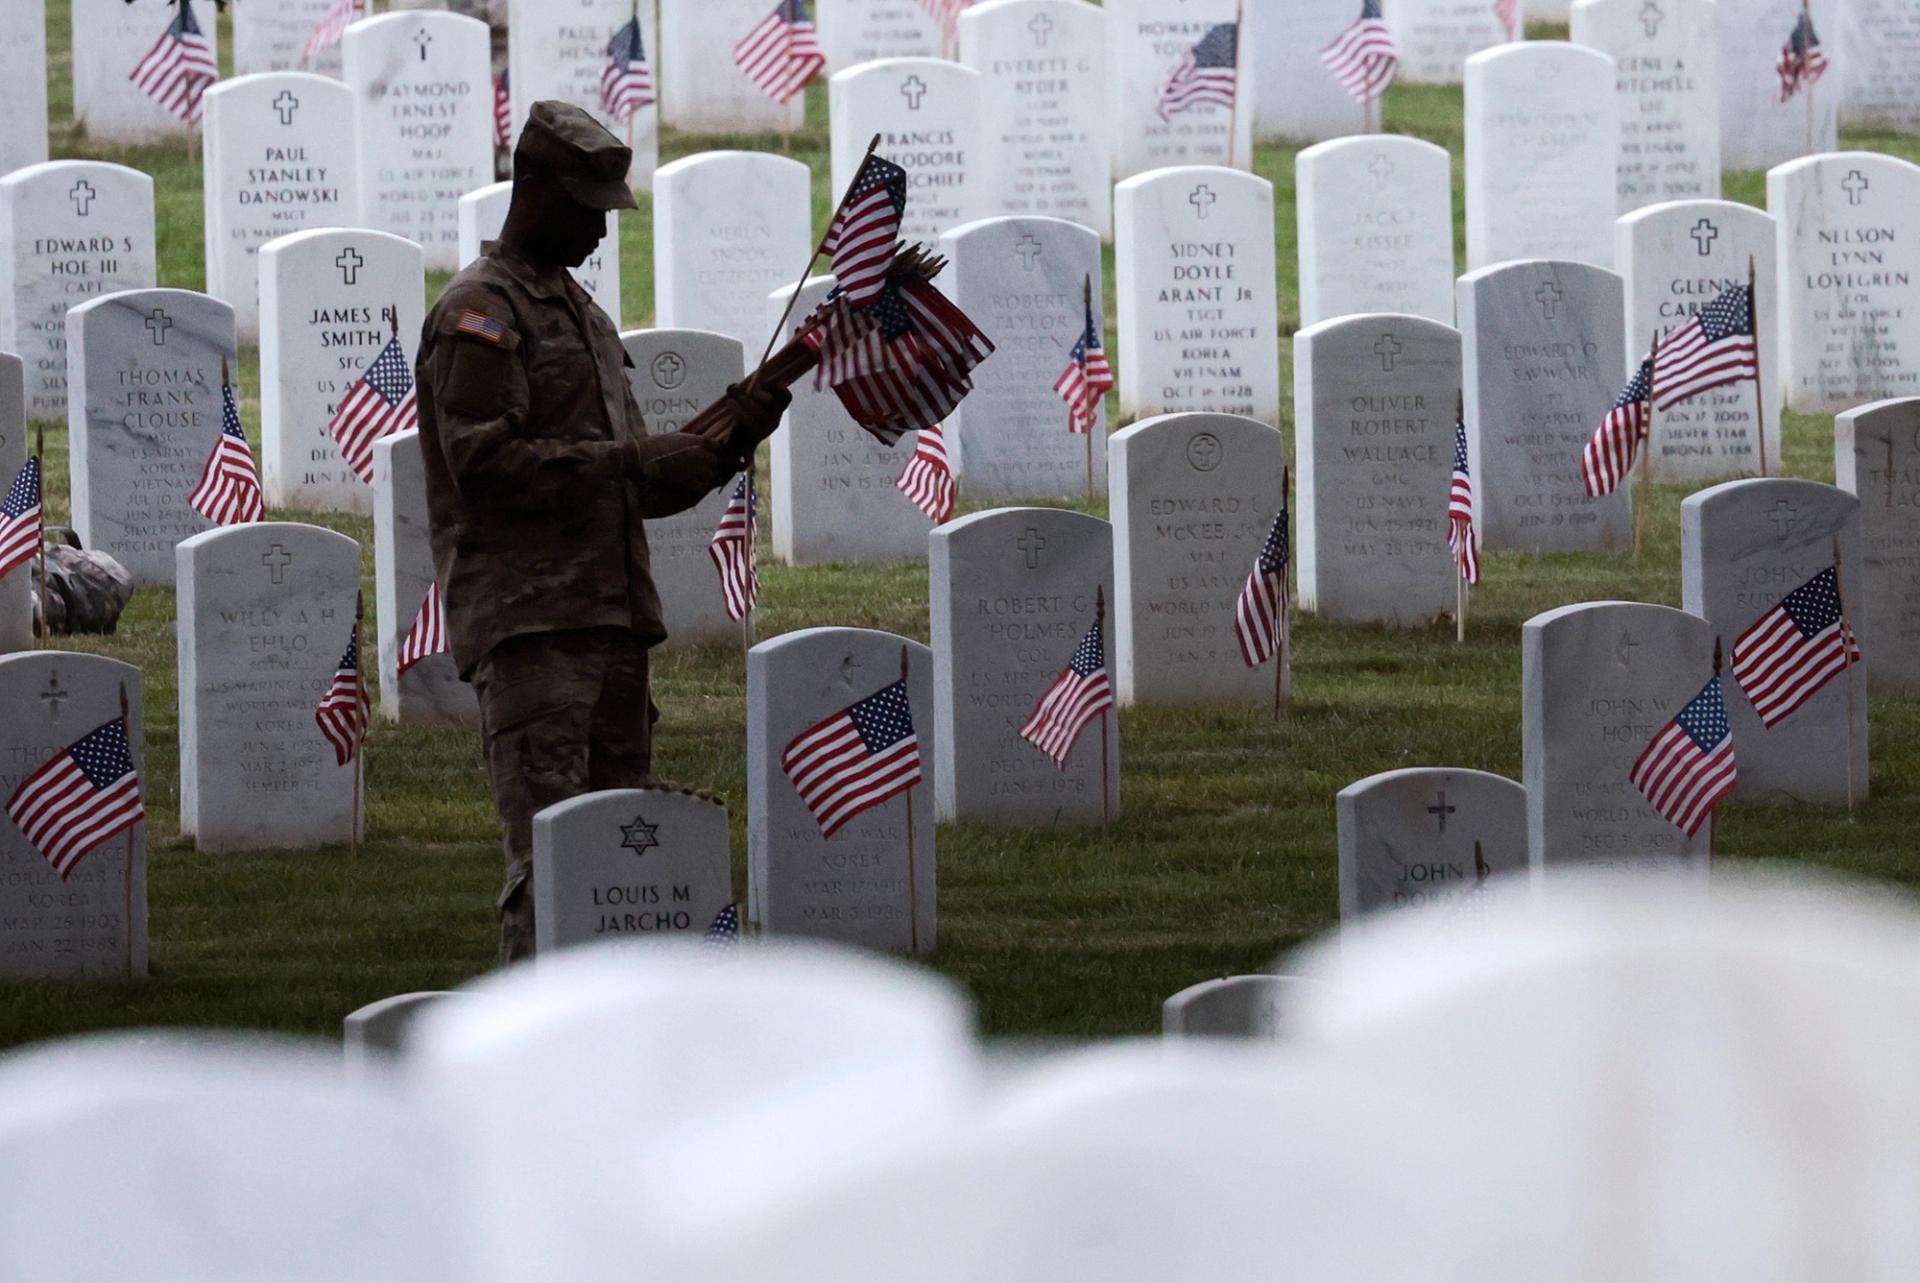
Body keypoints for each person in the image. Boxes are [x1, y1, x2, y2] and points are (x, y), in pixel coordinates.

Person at [415, 101, 788, 963]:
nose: (599, 227)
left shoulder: (584, 316)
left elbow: (638, 483)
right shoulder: (482, 312)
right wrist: (624, 460)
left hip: (614, 622)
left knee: (629, 866)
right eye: (586, 205)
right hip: (533, 626)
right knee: (553, 863)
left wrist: (735, 429)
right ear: (533, 187)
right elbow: (486, 466)